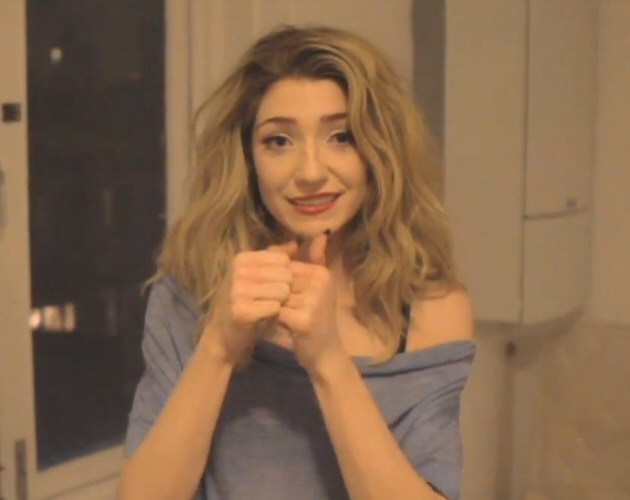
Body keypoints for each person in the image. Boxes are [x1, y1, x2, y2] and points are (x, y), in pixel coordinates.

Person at [116, 25, 476, 500]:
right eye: (279, 141)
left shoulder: (429, 308)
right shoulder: (189, 292)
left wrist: (327, 360)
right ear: (248, 157)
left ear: (380, 153)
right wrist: (218, 347)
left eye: (341, 136)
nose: (309, 172)